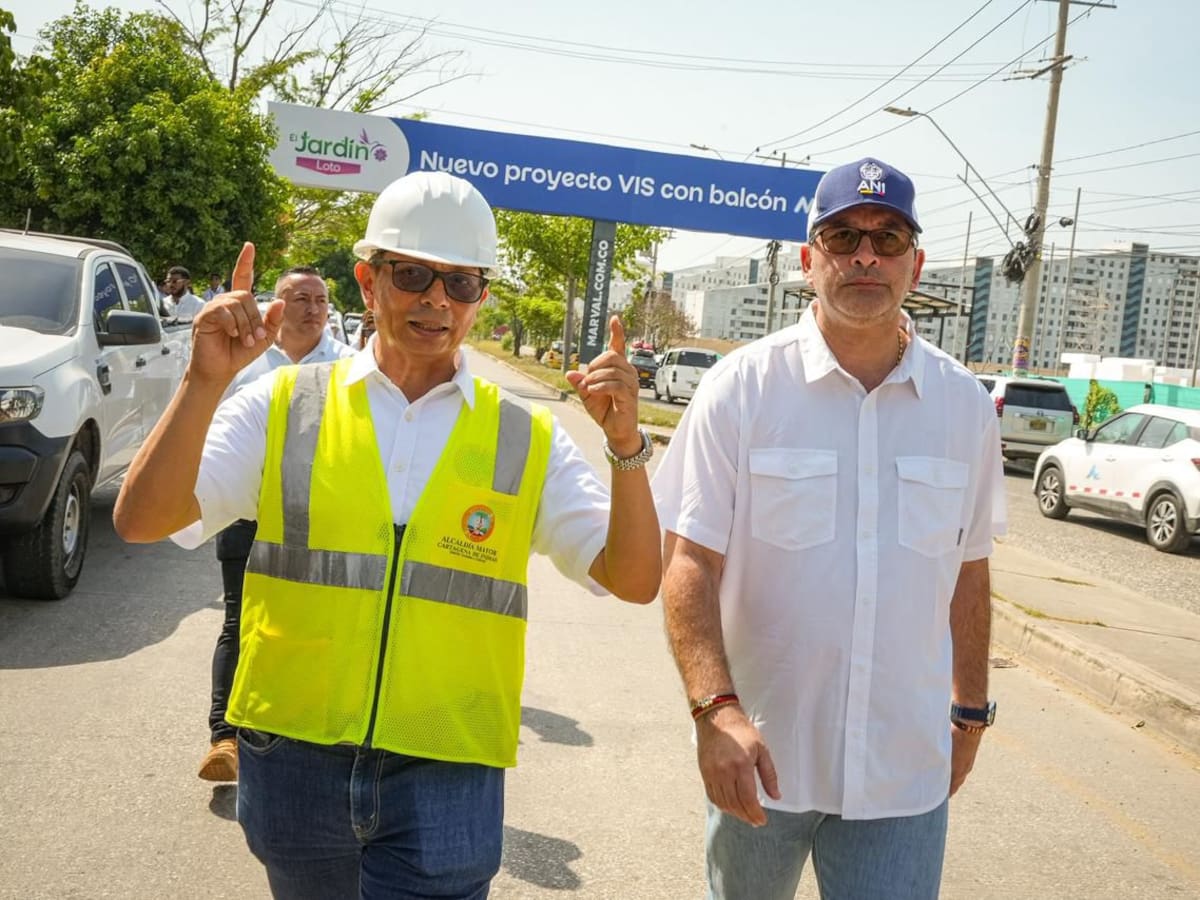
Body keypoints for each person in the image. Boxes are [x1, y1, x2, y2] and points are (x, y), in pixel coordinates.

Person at [113, 171, 661, 899]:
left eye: (460, 284)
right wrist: (204, 381)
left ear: (481, 300)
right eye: (414, 275)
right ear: (369, 281)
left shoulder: (525, 436)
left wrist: (626, 448)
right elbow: (144, 518)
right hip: (295, 759)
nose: (437, 300)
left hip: (448, 768)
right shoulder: (284, 405)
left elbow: (634, 578)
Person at [652, 157, 1006, 900]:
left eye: (888, 237)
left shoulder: (964, 407)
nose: (865, 255)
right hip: (762, 761)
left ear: (916, 262)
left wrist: (969, 714)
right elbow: (689, 560)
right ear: (810, 260)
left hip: (902, 777)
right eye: (843, 237)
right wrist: (715, 713)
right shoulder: (741, 388)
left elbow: (969, 572)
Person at [197, 265, 356, 783]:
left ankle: (298, 739)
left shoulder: (351, 368)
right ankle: (225, 738)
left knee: (312, 627)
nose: (312, 308)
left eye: (320, 299)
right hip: (246, 516)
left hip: (321, 522)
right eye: (299, 297)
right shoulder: (241, 361)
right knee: (240, 620)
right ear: (276, 304)